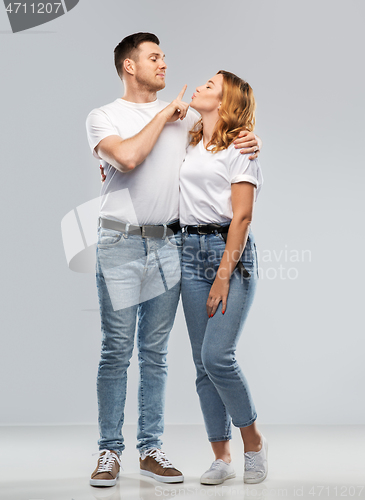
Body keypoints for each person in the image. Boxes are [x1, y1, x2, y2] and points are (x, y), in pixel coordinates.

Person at [86, 32, 261, 487]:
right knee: (116, 350)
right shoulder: (105, 116)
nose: (164, 64)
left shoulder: (190, 123)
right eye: (154, 57)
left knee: (156, 354)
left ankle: (150, 448)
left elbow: (221, 142)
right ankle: (109, 451)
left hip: (171, 246)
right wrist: (165, 114)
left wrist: (251, 140)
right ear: (130, 66)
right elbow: (126, 158)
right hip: (121, 244)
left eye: (164, 56)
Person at [180, 70, 267, 485]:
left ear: (226, 101)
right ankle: (222, 457)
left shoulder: (241, 148)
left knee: (218, 356)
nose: (200, 86)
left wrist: (222, 275)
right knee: (201, 364)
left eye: (210, 85)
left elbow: (243, 216)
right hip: (187, 252)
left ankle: (253, 443)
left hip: (226, 253)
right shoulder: (190, 139)